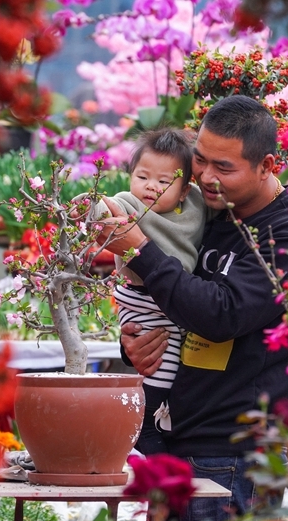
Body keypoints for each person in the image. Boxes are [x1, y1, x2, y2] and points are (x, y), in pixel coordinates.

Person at [98, 95, 288, 521]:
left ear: (267, 165)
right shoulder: (207, 211)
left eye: (224, 168)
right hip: (174, 436)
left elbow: (223, 314)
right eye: (200, 161)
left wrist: (138, 248)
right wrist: (135, 339)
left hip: (233, 451)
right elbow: (172, 295)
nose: (207, 178)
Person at [90, 127, 209, 455]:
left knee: (165, 373)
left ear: (185, 191)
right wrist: (86, 209)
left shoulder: (196, 210)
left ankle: (148, 435)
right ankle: (147, 441)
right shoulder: (127, 206)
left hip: (175, 308)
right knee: (159, 375)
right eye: (142, 176)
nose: (151, 187)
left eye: (163, 181)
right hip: (142, 305)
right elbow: (102, 207)